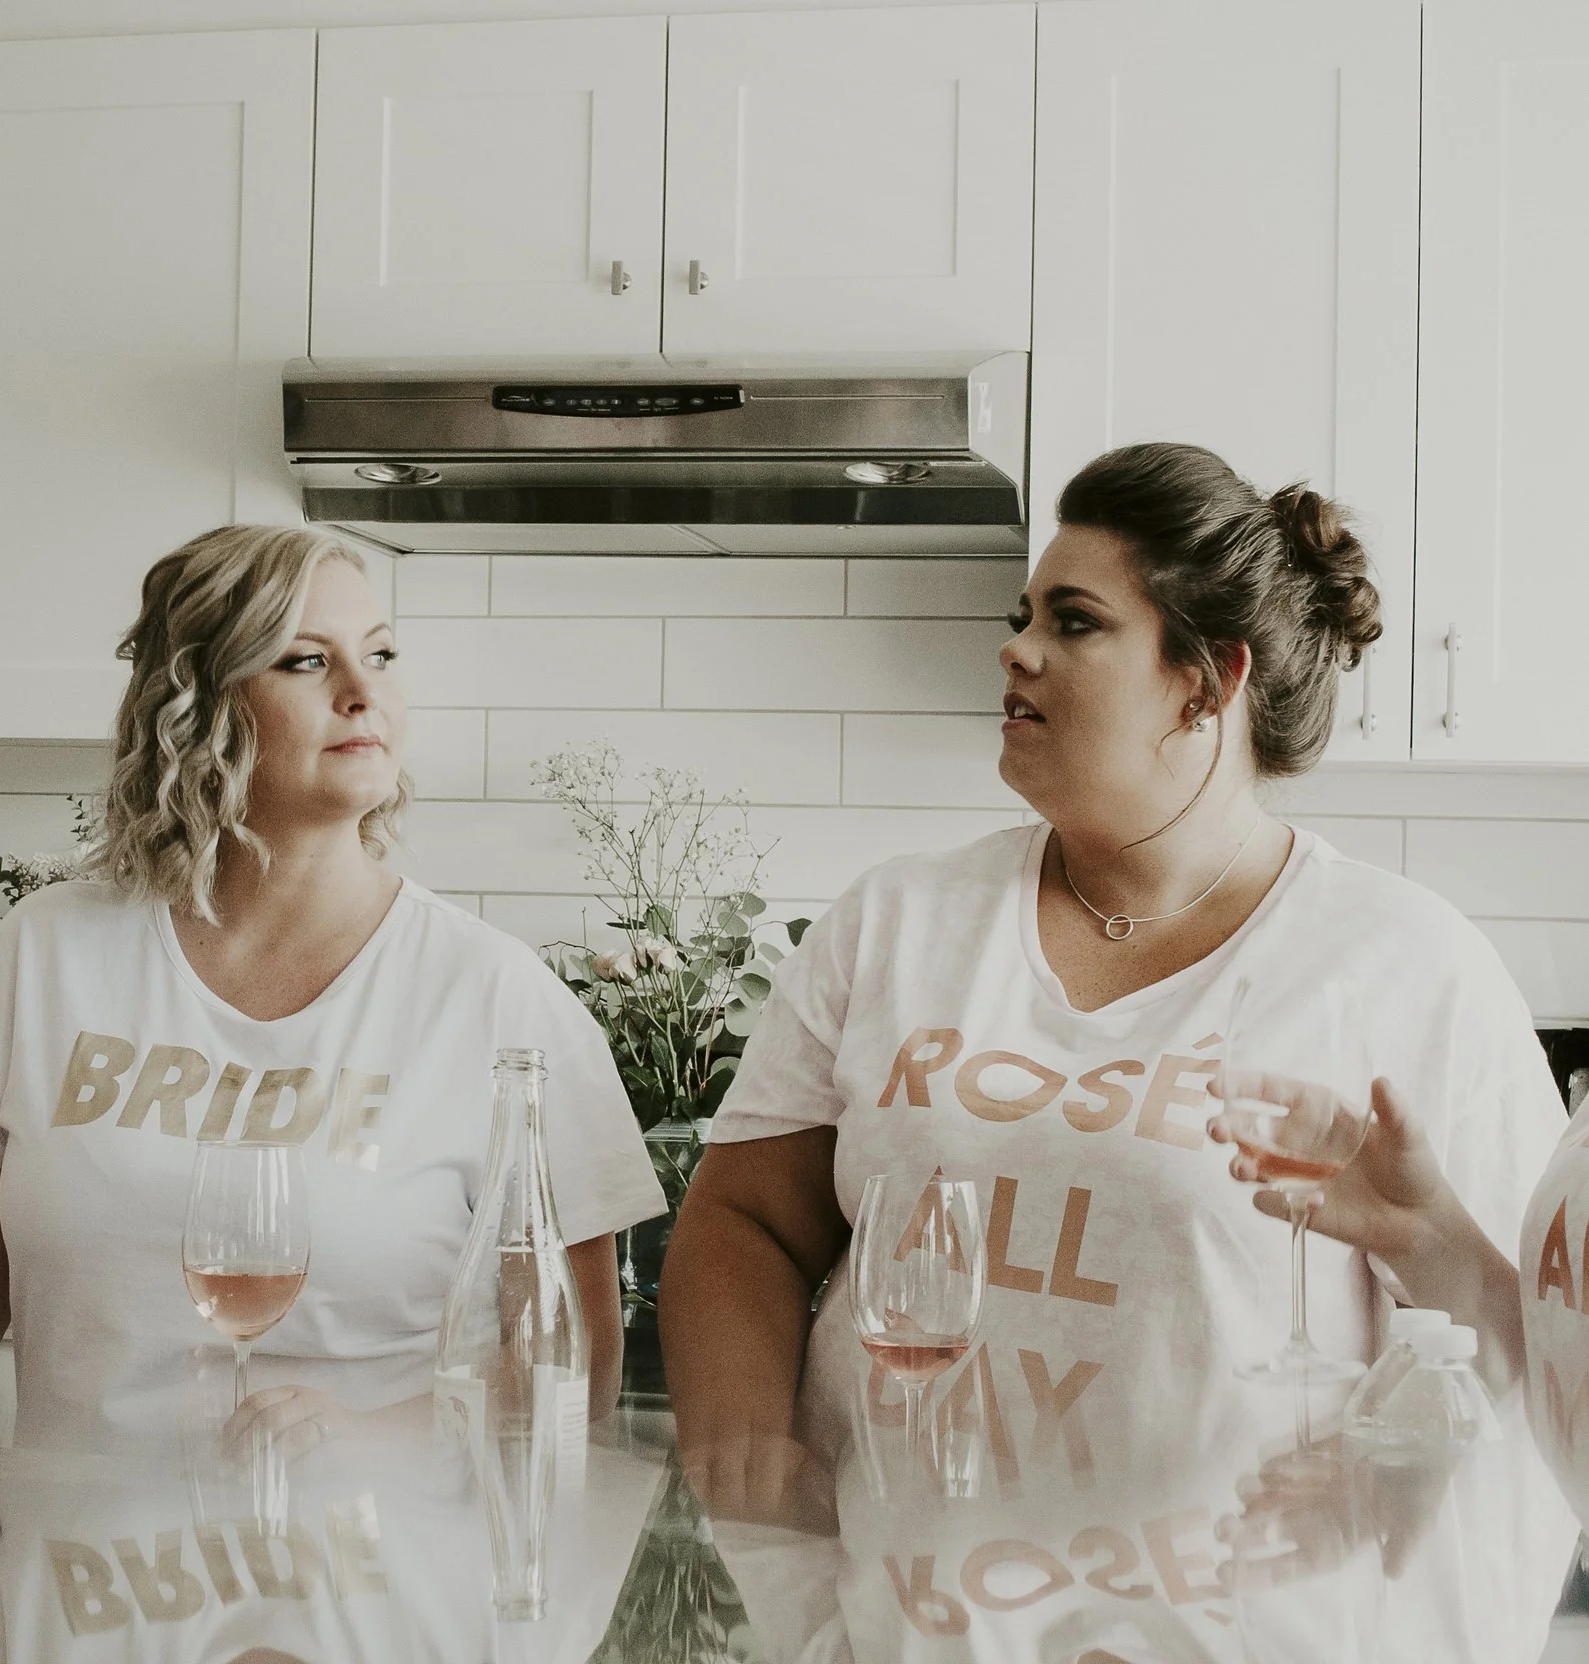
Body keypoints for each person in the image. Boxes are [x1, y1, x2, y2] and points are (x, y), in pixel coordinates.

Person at [660, 441, 1573, 1661]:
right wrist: (753, 1493)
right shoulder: (896, 921)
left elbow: (1545, 1378)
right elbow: (745, 1224)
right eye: (1022, 615)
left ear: (1206, 680)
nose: (1016, 649)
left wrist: (1429, 1234)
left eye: (1074, 620)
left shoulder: (1409, 964)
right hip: (905, 1630)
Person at [0, 524, 664, 1456]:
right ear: (199, 702)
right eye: (307, 661)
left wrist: (368, 1438)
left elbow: (572, 1363)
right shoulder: (42, 956)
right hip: (73, 1541)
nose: (363, 691)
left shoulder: (499, 1000)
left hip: (379, 1547)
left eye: (381, 655)